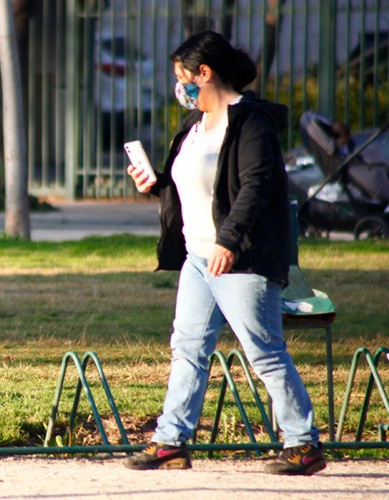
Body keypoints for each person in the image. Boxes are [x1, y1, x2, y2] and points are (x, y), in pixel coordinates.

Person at [123, 31, 325, 475]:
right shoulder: (196, 126)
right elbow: (195, 185)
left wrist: (228, 241)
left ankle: (304, 444)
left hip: (242, 257)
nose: (180, 87)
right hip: (199, 257)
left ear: (205, 73)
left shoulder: (250, 122)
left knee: (264, 352)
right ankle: (171, 441)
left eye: (183, 78)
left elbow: (255, 188)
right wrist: (155, 184)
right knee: (188, 348)